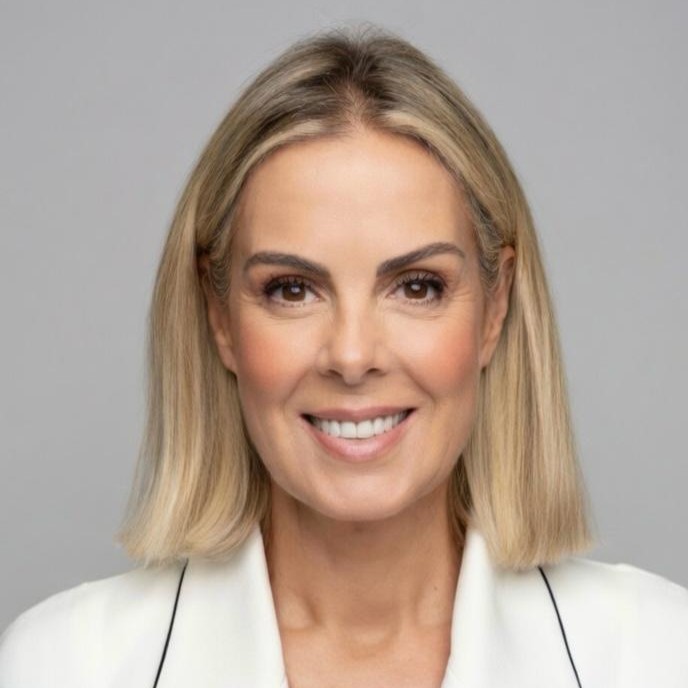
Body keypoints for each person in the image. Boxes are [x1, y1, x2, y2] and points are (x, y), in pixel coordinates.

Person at [1, 24, 686, 688]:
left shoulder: (659, 655)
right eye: (292, 289)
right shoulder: (63, 668)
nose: (353, 356)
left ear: (495, 305)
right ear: (219, 316)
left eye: (416, 286)